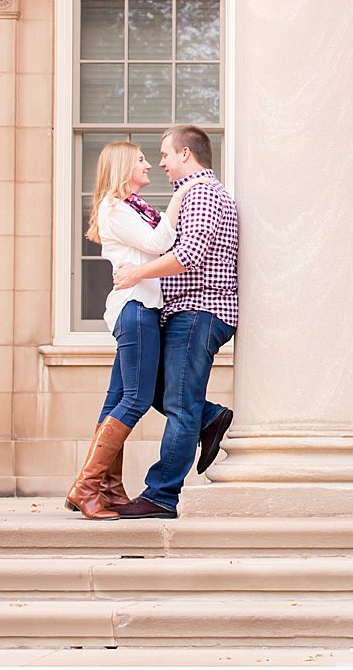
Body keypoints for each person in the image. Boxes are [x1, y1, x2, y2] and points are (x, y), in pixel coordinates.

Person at [65, 141, 207, 520]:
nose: (149, 165)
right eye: (142, 160)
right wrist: (184, 193)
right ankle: (85, 486)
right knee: (137, 400)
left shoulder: (133, 209)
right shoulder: (115, 209)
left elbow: (164, 243)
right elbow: (160, 242)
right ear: (124, 167)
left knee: (117, 399)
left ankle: (106, 488)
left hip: (142, 309)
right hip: (136, 310)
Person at [109, 124, 238, 519]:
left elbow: (190, 254)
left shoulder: (200, 193)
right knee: (155, 391)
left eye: (165, 154)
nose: (161, 162)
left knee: (179, 405)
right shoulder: (197, 193)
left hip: (199, 311)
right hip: (186, 313)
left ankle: (161, 495)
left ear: (186, 153)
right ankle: (210, 416)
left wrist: (136, 274)